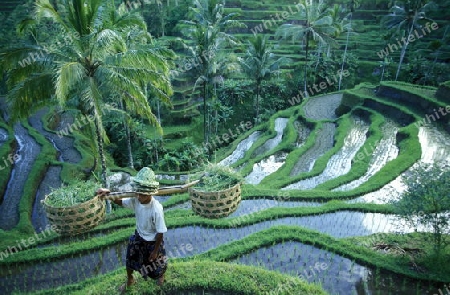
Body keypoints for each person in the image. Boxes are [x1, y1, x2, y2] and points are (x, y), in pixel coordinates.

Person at [96, 167, 168, 292]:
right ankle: (130, 279)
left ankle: (161, 275)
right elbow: (121, 202)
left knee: (156, 266)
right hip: (139, 237)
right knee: (130, 260)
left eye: (142, 194)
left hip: (153, 242)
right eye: (138, 192)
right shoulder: (136, 200)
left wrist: (155, 250)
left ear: (150, 193)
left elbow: (160, 232)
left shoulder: (156, 208)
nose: (139, 195)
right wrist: (109, 194)